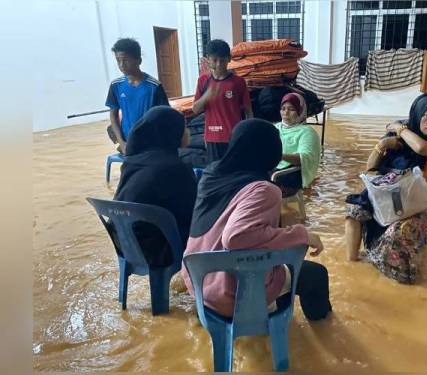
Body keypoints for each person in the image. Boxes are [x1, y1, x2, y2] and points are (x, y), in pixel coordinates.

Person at [181, 118, 332, 321]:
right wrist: (302, 234)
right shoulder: (264, 189)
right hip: (230, 294)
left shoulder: (212, 174)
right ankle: (327, 335)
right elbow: (237, 237)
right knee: (316, 275)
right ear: (272, 152)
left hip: (199, 282)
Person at [345, 93, 427, 283]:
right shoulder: (397, 136)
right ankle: (353, 262)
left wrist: (400, 128)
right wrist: (383, 144)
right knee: (354, 210)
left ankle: (402, 277)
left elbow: (421, 149)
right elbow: (370, 168)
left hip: (422, 201)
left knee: (398, 231)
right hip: (392, 190)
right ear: (418, 113)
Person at [112, 106, 197, 267]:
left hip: (125, 245)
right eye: (183, 127)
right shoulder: (174, 167)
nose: (187, 131)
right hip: (157, 252)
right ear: (170, 132)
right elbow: (194, 214)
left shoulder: (132, 161)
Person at [191, 39, 253, 163]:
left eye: (222, 60)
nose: (219, 64)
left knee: (235, 172)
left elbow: (248, 111)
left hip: (234, 137)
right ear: (208, 59)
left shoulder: (238, 82)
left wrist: (248, 134)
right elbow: (195, 109)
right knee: (216, 174)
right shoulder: (203, 81)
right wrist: (207, 96)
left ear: (229, 59)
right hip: (212, 137)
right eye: (215, 60)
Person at [105, 38, 170, 154]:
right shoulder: (116, 86)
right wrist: (121, 142)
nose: (121, 65)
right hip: (128, 143)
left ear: (138, 60)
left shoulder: (154, 86)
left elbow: (165, 116)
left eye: (125, 60)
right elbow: (113, 116)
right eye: (118, 60)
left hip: (151, 144)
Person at [272, 93, 321, 195]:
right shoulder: (275, 128)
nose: (286, 113)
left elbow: (304, 157)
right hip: (271, 168)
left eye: (291, 109)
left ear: (300, 111)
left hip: (289, 173)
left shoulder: (307, 132)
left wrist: (280, 156)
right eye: (283, 108)